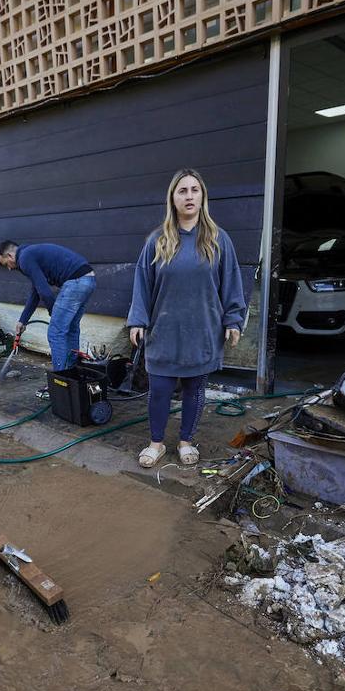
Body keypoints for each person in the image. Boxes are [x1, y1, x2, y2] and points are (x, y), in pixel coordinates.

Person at [126, 169, 246, 468]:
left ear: (202, 196)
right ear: (173, 198)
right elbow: (142, 282)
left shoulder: (218, 240)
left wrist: (233, 320)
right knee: (160, 390)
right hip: (164, 330)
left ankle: (185, 442)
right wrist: (137, 319)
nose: (189, 195)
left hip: (202, 330)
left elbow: (231, 281)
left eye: (195, 190)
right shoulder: (158, 240)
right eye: (182, 191)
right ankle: (156, 443)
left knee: (194, 389)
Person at [0, 240, 96, 373]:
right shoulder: (30, 254)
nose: (9, 268)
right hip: (88, 279)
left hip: (76, 282)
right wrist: (23, 320)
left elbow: (45, 292)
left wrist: (52, 312)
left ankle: (60, 377)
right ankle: (72, 372)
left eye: (6, 264)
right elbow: (36, 292)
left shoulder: (25, 258)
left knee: (55, 332)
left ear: (10, 256)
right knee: (71, 328)